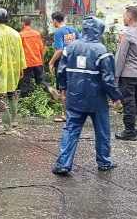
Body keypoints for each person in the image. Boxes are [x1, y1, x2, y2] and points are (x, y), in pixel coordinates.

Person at [52, 16, 122, 176]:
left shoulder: (71, 47)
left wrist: (63, 87)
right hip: (97, 100)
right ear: (99, 31)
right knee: (102, 131)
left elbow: (61, 69)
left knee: (70, 129)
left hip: (75, 97)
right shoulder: (102, 51)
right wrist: (116, 97)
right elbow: (108, 79)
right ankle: (104, 161)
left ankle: (63, 164)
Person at [0, 8, 27, 133]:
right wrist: (21, 68)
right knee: (12, 94)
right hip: (12, 71)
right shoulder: (15, 33)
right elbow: (21, 52)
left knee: (0, 98)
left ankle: (7, 127)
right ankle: (14, 121)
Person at [114, 6, 137, 141]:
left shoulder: (128, 35)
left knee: (129, 101)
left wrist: (116, 76)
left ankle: (129, 130)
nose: (123, 18)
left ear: (129, 18)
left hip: (128, 74)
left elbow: (120, 57)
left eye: (124, 16)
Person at [48, 11, 81, 122]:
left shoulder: (58, 33)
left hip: (63, 64)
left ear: (55, 20)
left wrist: (51, 62)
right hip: (75, 63)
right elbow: (80, 43)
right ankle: (76, 113)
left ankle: (66, 115)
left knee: (63, 90)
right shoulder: (74, 29)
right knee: (74, 88)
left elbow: (60, 50)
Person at [18, 16, 50, 97]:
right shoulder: (37, 34)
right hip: (37, 61)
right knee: (40, 80)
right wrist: (42, 61)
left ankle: (25, 100)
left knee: (25, 82)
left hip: (27, 63)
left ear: (23, 23)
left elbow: (18, 50)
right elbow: (42, 48)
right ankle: (50, 93)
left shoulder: (20, 35)